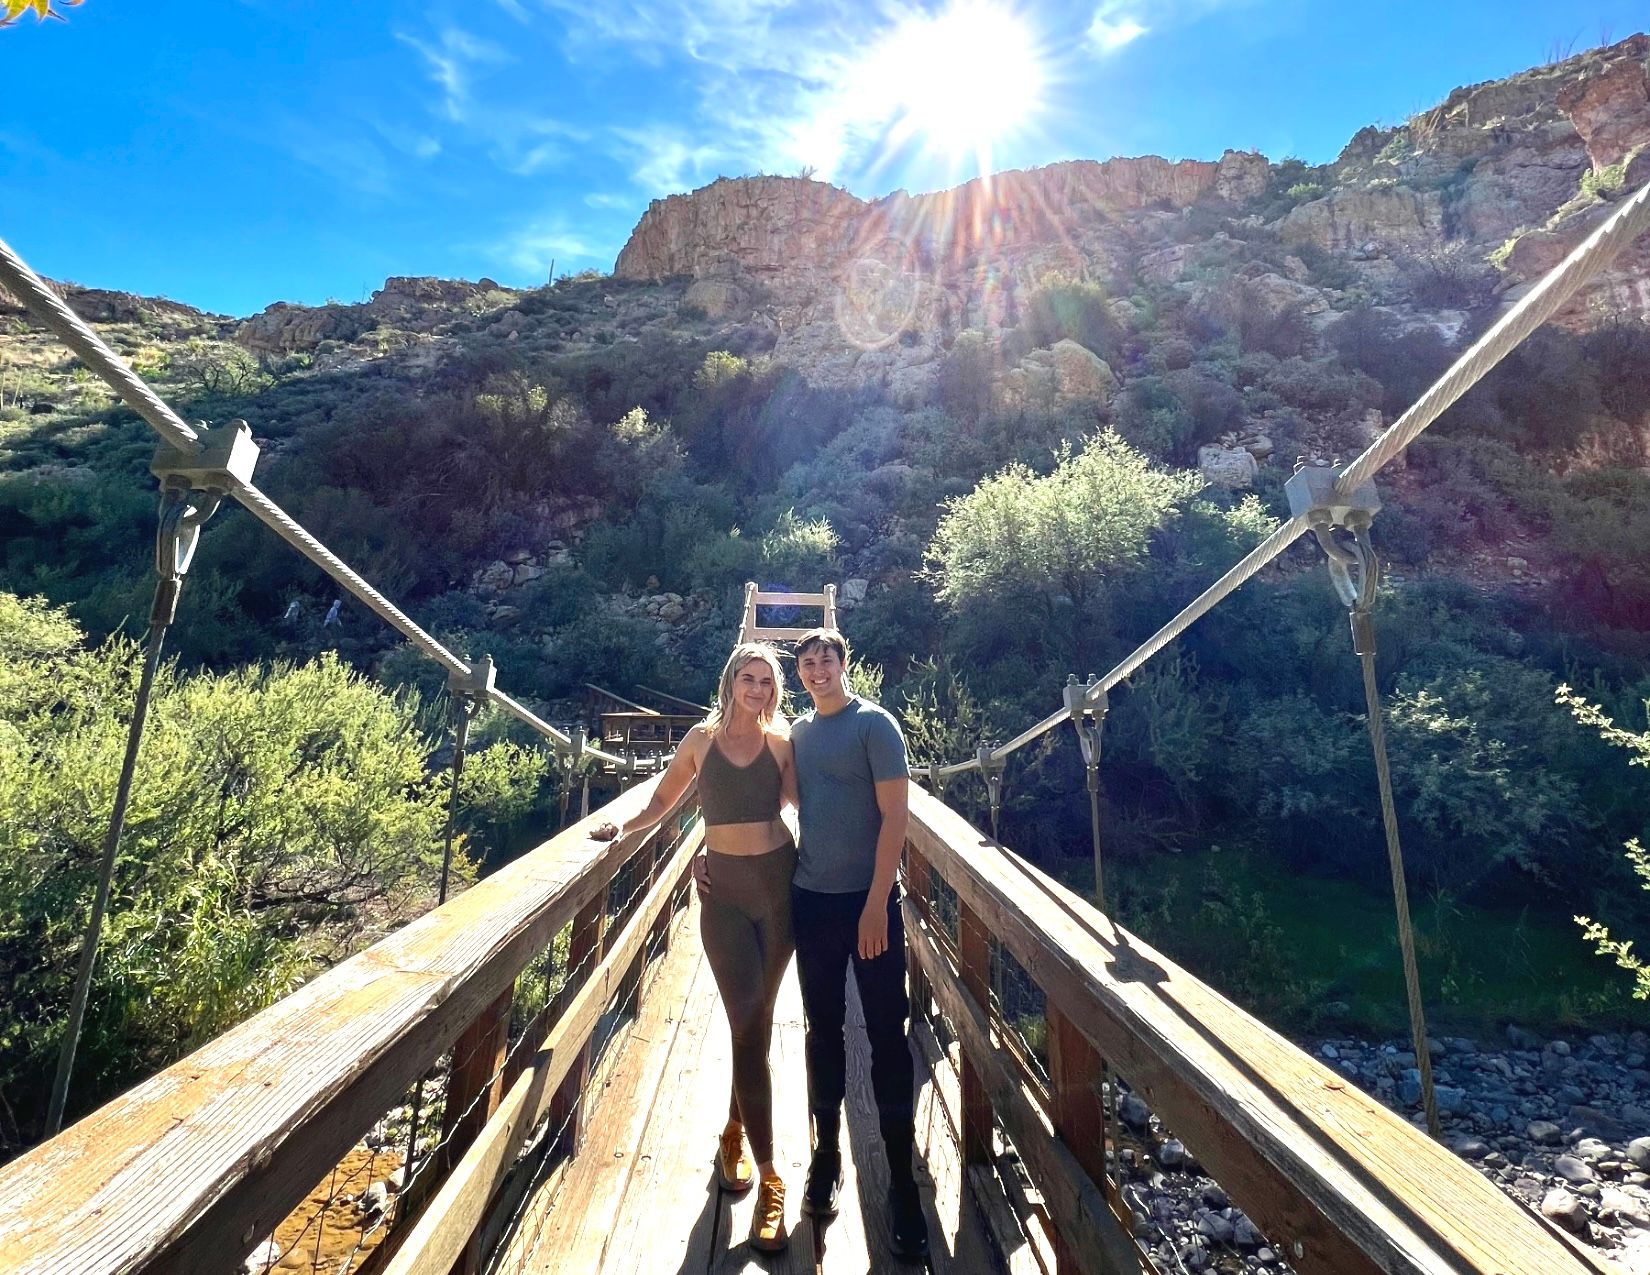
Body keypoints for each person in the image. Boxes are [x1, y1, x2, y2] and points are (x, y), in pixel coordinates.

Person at [591, 642, 798, 1253]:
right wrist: (620, 828)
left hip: (780, 891)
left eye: (766, 681)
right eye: (747, 678)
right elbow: (662, 803)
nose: (756, 689)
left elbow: (810, 804)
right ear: (730, 679)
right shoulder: (699, 742)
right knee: (747, 1027)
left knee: (753, 1030)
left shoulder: (784, 742)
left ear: (774, 689)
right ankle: (770, 1181)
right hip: (725, 899)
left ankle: (734, 1130)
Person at [788, 627, 929, 1262]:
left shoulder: (875, 725)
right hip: (812, 901)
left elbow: (895, 818)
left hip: (869, 906)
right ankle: (825, 1156)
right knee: (822, 1030)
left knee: (886, 1035)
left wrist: (877, 905)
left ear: (845, 664)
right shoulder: (797, 732)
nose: (818, 670)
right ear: (800, 674)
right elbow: (781, 796)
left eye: (827, 659)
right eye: (807, 662)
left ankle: (901, 1185)